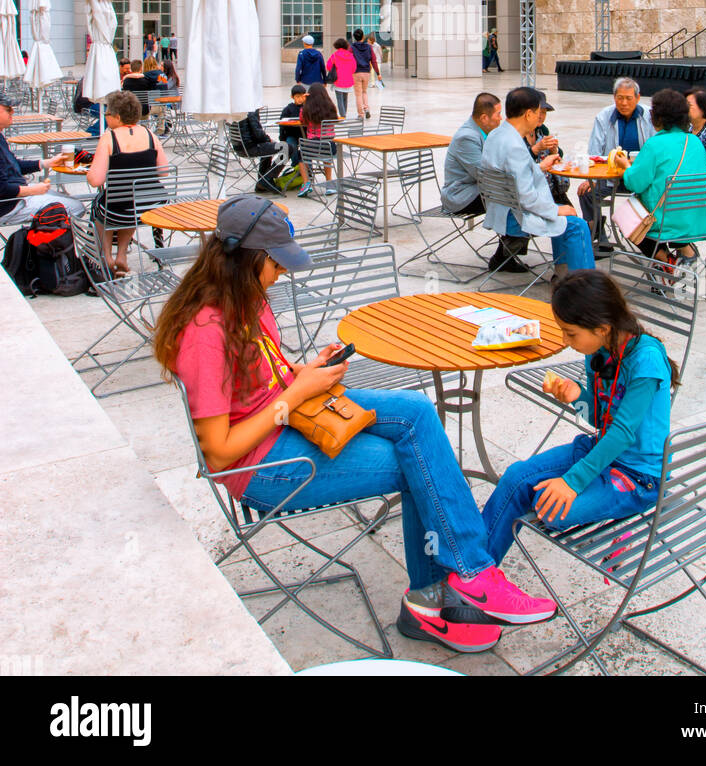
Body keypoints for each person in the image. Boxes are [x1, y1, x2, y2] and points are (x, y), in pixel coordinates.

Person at [153, 196, 558, 654]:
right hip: (262, 465)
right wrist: (294, 395)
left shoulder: (247, 298)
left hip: (288, 415)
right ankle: (453, 589)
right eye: (276, 263)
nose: (282, 272)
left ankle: (462, 580)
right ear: (250, 260)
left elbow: (262, 379)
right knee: (417, 464)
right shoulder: (206, 331)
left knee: (417, 412)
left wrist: (302, 373)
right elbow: (218, 454)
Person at [480, 270, 675, 562]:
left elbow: (622, 433)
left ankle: (618, 520)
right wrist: (578, 397)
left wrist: (572, 481)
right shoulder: (598, 352)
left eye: (570, 333)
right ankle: (475, 570)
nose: (565, 340)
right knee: (516, 478)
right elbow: (600, 420)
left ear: (602, 327)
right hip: (602, 451)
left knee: (550, 508)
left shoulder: (646, 360)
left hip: (639, 476)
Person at [480, 86, 594, 278]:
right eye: (538, 112)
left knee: (566, 217)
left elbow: (514, 174)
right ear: (528, 114)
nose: (540, 117)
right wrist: (556, 210)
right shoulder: (515, 145)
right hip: (515, 217)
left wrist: (540, 166)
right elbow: (526, 197)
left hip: (500, 209)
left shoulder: (496, 135)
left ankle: (564, 275)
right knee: (577, 225)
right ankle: (584, 286)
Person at [612, 88, 706, 265]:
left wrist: (626, 166)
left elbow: (634, 184)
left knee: (624, 217)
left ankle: (665, 260)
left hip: (664, 220)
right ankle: (686, 251)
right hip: (695, 218)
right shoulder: (695, 142)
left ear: (657, 116)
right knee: (672, 211)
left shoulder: (654, 144)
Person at [87, 89, 169, 273]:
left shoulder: (109, 138)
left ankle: (106, 256)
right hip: (151, 206)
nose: (106, 117)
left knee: (101, 204)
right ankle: (121, 254)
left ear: (117, 116)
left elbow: (95, 180)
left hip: (119, 210)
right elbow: (163, 172)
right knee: (127, 199)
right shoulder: (150, 135)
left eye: (107, 113)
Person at [579, 77, 656, 253]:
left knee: (659, 195)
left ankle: (653, 243)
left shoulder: (650, 116)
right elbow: (594, 153)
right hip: (611, 177)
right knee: (586, 192)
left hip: (641, 179)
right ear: (614, 97)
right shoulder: (604, 117)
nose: (624, 102)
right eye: (620, 97)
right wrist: (590, 179)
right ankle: (600, 238)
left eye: (629, 98)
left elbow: (656, 151)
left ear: (638, 97)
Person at [0, 94, 86, 222]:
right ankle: (39, 240)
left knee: (71, 201)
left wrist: (46, 163)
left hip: (16, 197)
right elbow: (2, 189)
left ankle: (40, 237)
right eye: (8, 109)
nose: (13, 111)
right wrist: (32, 190)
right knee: (76, 208)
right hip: (9, 205)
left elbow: (14, 164)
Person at [441, 93, 502, 218]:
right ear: (484, 118)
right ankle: (512, 237)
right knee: (512, 197)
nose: (501, 118)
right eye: (498, 114)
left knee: (518, 193)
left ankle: (514, 236)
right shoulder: (467, 137)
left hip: (479, 189)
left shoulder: (486, 132)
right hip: (461, 196)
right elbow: (486, 174)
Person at [299, 83, 339, 193]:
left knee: (301, 153)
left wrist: (304, 102)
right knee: (327, 156)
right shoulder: (331, 107)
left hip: (313, 144)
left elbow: (303, 121)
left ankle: (306, 182)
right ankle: (329, 183)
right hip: (330, 145)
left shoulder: (307, 109)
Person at [236, 111, 285, 194]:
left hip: (240, 148)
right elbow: (258, 134)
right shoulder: (251, 110)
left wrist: (268, 141)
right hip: (251, 147)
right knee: (287, 147)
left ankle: (262, 183)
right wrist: (269, 140)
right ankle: (266, 179)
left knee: (268, 147)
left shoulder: (239, 109)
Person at [278, 85, 309, 194]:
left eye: (302, 96)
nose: (300, 99)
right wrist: (282, 138)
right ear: (292, 97)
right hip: (292, 135)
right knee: (291, 146)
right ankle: (297, 166)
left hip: (305, 135)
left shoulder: (308, 107)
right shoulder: (288, 109)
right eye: (297, 96)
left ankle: (305, 167)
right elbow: (282, 125)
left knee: (307, 149)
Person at [350, 28, 379, 119]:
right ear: (363, 36)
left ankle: (360, 114)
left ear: (354, 37)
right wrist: (378, 73)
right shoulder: (369, 47)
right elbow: (373, 60)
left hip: (356, 73)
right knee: (364, 92)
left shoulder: (352, 48)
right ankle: (366, 109)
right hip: (366, 72)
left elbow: (348, 59)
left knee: (358, 94)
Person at [325, 39, 356, 118]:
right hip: (348, 80)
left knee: (340, 99)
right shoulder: (350, 55)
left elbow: (328, 66)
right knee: (345, 99)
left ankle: (343, 116)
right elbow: (354, 68)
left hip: (338, 80)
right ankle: (344, 114)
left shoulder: (335, 55)